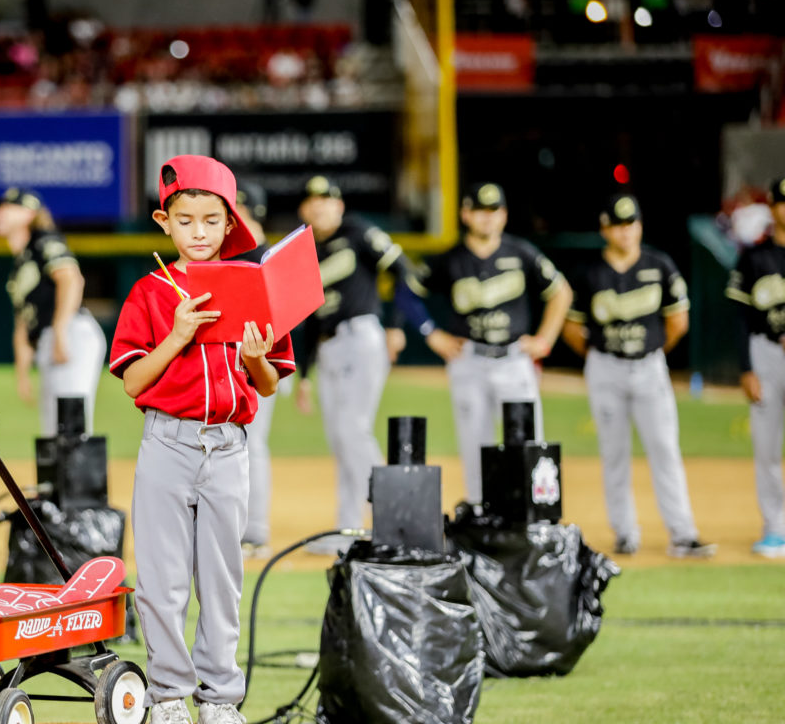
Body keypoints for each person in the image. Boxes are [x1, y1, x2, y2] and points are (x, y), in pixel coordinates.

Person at [109, 154, 295, 724]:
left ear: (229, 222)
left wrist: (255, 360)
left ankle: (219, 704)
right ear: (165, 222)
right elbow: (134, 383)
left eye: (211, 221)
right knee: (162, 581)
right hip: (168, 441)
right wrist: (178, 335)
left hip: (228, 447)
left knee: (222, 580)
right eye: (185, 220)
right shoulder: (151, 291)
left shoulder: (256, 286)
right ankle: (168, 702)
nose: (198, 232)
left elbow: (267, 387)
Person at [561, 194, 715, 559]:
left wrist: (653, 350)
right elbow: (571, 327)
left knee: (664, 448)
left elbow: (678, 322)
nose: (625, 231)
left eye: (630, 223)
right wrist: (598, 354)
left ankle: (683, 533)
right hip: (606, 367)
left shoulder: (659, 265)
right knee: (613, 452)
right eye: (617, 224)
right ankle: (625, 532)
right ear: (604, 229)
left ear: (639, 226)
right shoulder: (589, 272)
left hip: (648, 366)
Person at [406, 182, 573, 507]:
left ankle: (528, 514)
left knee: (528, 443)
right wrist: (431, 332)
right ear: (466, 214)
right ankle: (481, 512)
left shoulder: (521, 252)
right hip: (470, 360)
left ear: (504, 215)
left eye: (493, 210)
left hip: (513, 359)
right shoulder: (450, 259)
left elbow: (560, 291)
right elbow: (407, 291)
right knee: (474, 444)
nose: (487, 218)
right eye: (480, 211)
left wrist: (545, 339)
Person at [294, 175, 406, 550]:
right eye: (313, 201)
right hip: (327, 348)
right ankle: (349, 529)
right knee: (340, 439)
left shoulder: (359, 232)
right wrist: (304, 375)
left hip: (361, 336)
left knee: (354, 431)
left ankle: (395, 516)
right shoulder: (305, 248)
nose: (320, 206)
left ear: (339, 207)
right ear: (304, 210)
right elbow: (308, 318)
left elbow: (402, 269)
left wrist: (395, 326)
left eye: (327, 200)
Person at [725, 175, 785, 558]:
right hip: (766, 354)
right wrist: (746, 369)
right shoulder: (754, 257)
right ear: (773, 208)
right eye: (784, 202)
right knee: (767, 448)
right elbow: (740, 318)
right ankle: (775, 528)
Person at [0, 186, 107, 437]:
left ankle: (76, 478)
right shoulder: (22, 261)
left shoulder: (45, 239)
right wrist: (22, 372)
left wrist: (60, 332)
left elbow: (71, 279)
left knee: (70, 424)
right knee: (55, 428)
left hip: (71, 331)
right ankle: (60, 478)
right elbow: (23, 320)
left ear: (28, 213)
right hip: (51, 336)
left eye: (6, 207)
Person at [230, 180, 283, 560]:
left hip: (259, 361)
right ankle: (239, 529)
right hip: (228, 363)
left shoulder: (269, 258)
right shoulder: (231, 257)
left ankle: (255, 531)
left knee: (252, 444)